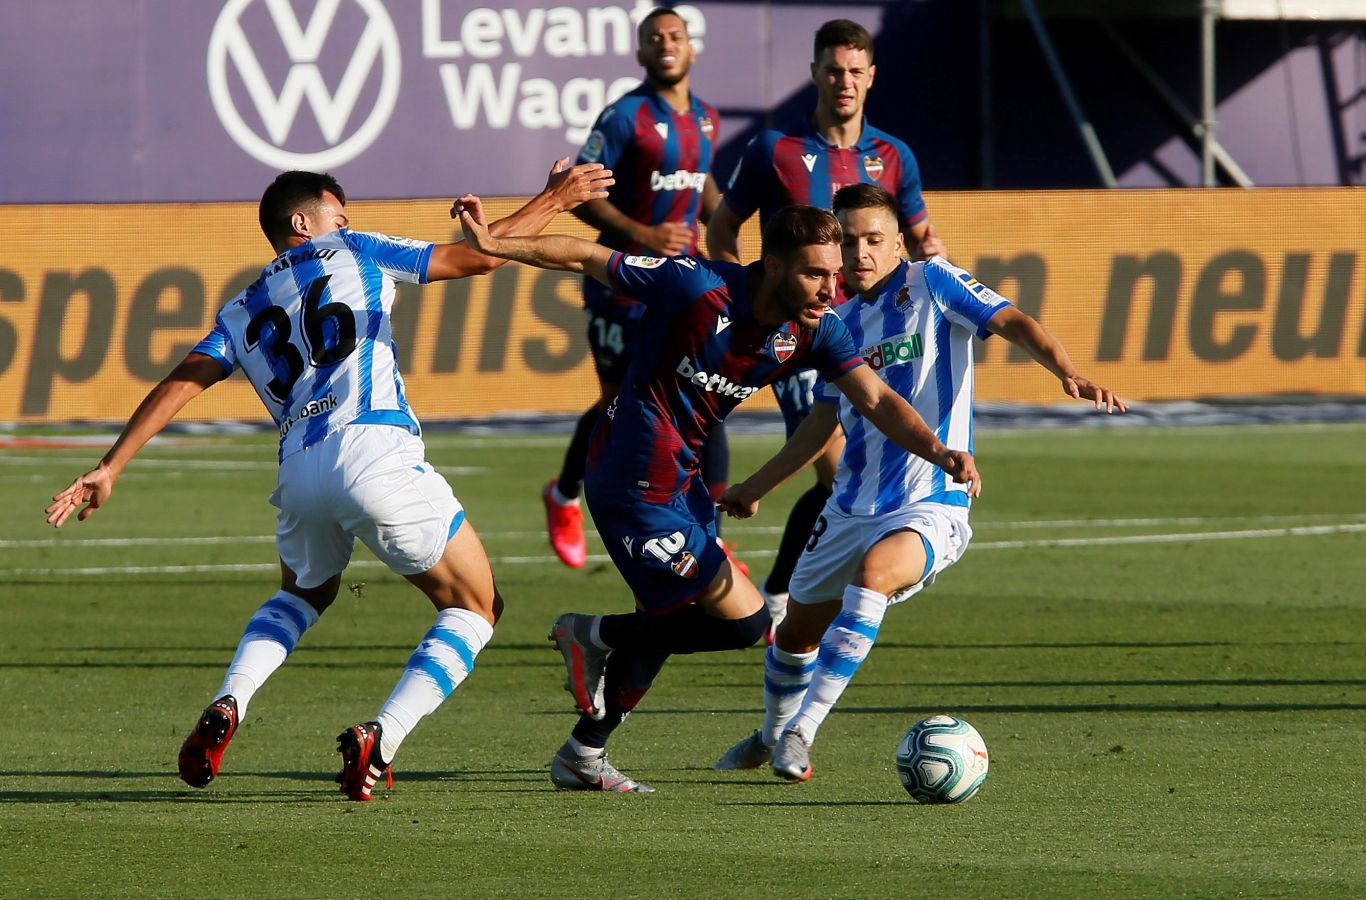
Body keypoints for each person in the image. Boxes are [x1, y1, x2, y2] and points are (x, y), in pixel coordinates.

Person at [44, 162, 614, 801]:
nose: (346, 222)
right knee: (477, 606)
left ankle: (230, 698)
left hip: (298, 470)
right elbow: (479, 256)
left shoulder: (240, 308)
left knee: (305, 594)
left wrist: (111, 464)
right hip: (372, 447)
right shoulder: (355, 248)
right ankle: (383, 739)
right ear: (303, 222)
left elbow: (182, 379)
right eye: (337, 214)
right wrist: (557, 199)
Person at [454, 195, 980, 792]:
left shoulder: (818, 329)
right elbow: (586, 257)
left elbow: (879, 400)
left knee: (670, 616)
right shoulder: (696, 285)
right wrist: (496, 244)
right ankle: (591, 635)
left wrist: (940, 453)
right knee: (742, 623)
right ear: (775, 267)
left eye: (834, 276)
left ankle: (583, 751)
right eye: (815, 274)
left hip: (685, 483)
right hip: (628, 479)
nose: (830, 289)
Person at [712, 184, 1126, 782]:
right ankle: (771, 735)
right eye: (848, 241)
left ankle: (803, 731)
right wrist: (755, 487)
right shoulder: (835, 323)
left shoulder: (932, 283)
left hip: (931, 499)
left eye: (874, 240)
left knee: (874, 575)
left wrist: (1068, 372)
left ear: (898, 241)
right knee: (795, 634)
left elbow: (1011, 320)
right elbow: (819, 427)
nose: (860, 253)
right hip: (849, 506)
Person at [707, 18, 947, 637]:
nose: (844, 81)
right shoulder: (773, 151)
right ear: (814, 73)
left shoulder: (895, 156)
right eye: (833, 69)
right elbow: (722, 229)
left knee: (838, 469)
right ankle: (785, 598)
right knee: (830, 459)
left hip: (860, 332)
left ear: (871, 77)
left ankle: (787, 595)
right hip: (798, 332)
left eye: (855, 71)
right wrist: (742, 296)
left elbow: (919, 238)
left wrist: (939, 277)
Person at [542, 7, 736, 572]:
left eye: (674, 36)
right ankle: (564, 495)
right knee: (617, 404)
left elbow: (704, 186)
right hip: (621, 284)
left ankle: (712, 538)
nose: (666, 44)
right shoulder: (625, 116)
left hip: (682, 289)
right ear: (641, 53)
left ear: (691, 48)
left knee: (707, 397)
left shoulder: (705, 118)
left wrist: (726, 234)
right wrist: (644, 234)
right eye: (654, 38)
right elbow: (582, 191)